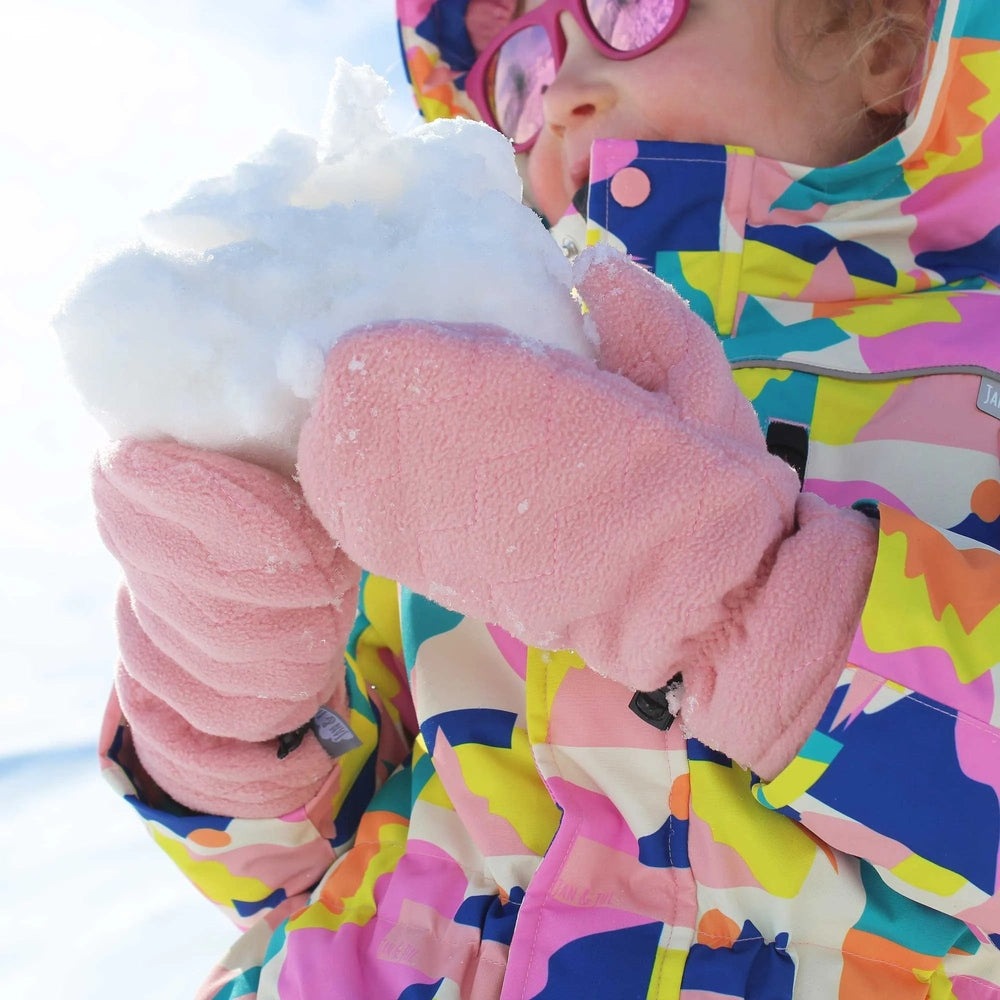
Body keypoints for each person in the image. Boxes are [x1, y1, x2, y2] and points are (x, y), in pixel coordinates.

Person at [93, 0, 1000, 995]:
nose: (558, 95)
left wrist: (738, 591)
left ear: (887, 38)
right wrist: (226, 702)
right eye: (516, 75)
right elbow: (292, 874)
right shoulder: (466, 403)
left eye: (628, 9)